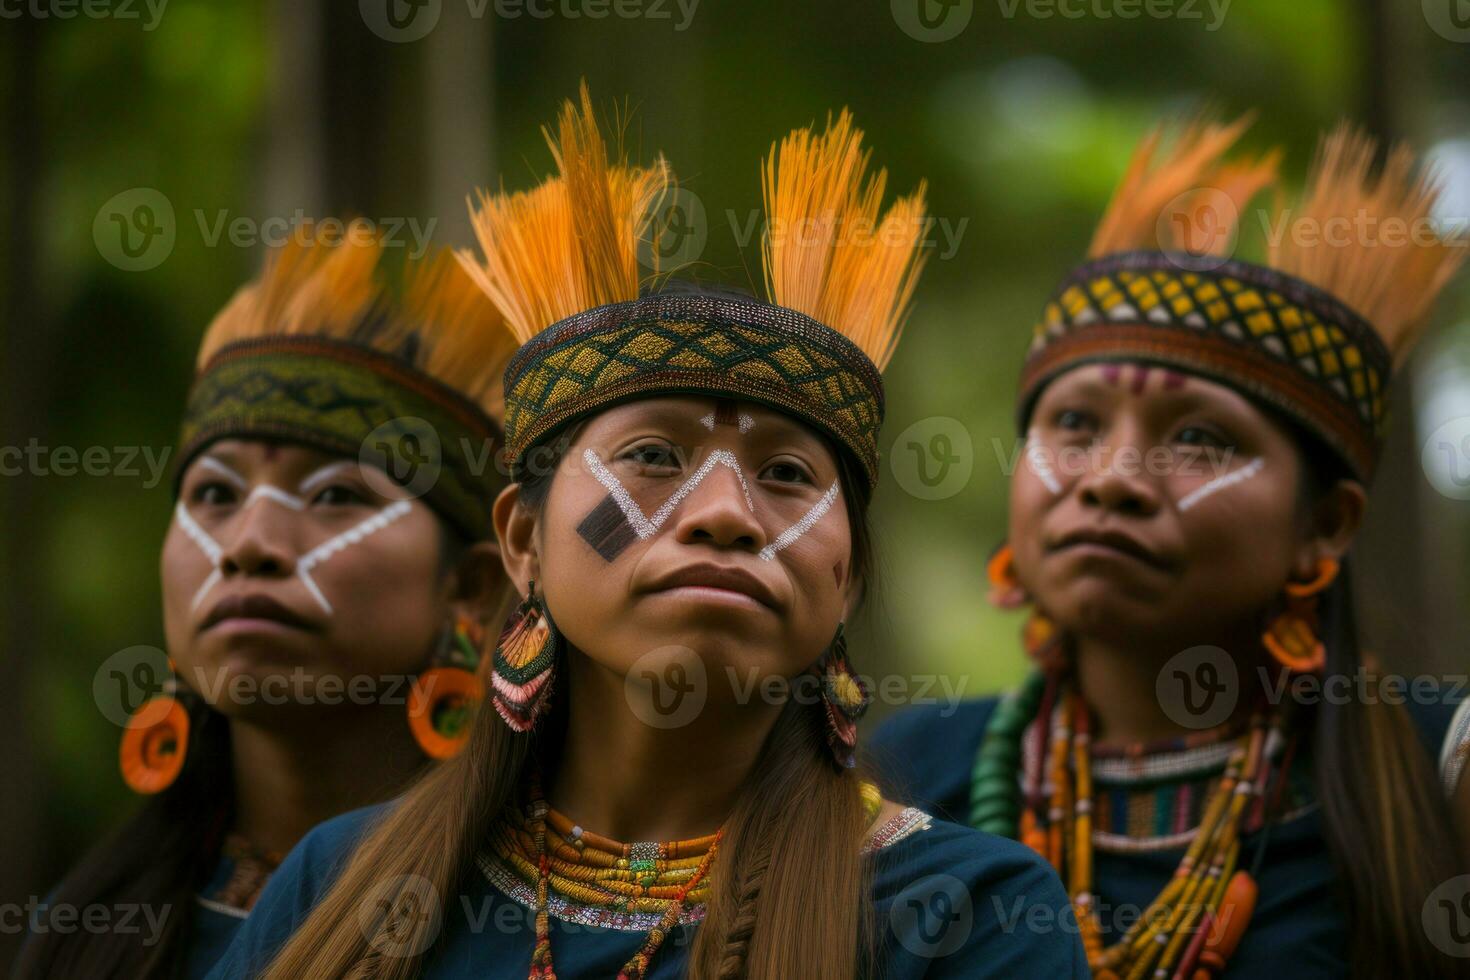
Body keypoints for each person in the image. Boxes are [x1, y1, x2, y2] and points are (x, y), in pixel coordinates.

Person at [205, 88, 1087, 979]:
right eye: (655, 455)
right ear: (521, 541)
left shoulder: (966, 914)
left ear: (847, 573)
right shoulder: (338, 887)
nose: (724, 514)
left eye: (787, 475)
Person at [869, 115, 1469, 978]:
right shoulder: (903, 769)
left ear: (1325, 525)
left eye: (1201, 440)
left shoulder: (1438, 768)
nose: (1113, 478)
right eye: (1074, 423)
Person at [16, 224, 517, 979]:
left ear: (470, 586)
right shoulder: (83, 930)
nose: (250, 542)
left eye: (337, 495)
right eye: (214, 492)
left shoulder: (536, 923)